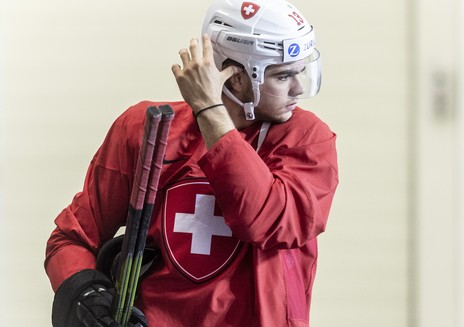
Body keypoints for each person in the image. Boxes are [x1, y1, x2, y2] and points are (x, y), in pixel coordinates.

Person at [45, 0, 338, 326]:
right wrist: (85, 293)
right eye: (284, 76)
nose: (299, 88)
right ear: (237, 77)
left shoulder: (308, 138)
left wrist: (209, 109)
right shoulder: (145, 128)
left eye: (301, 71)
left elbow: (266, 221)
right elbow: (70, 240)